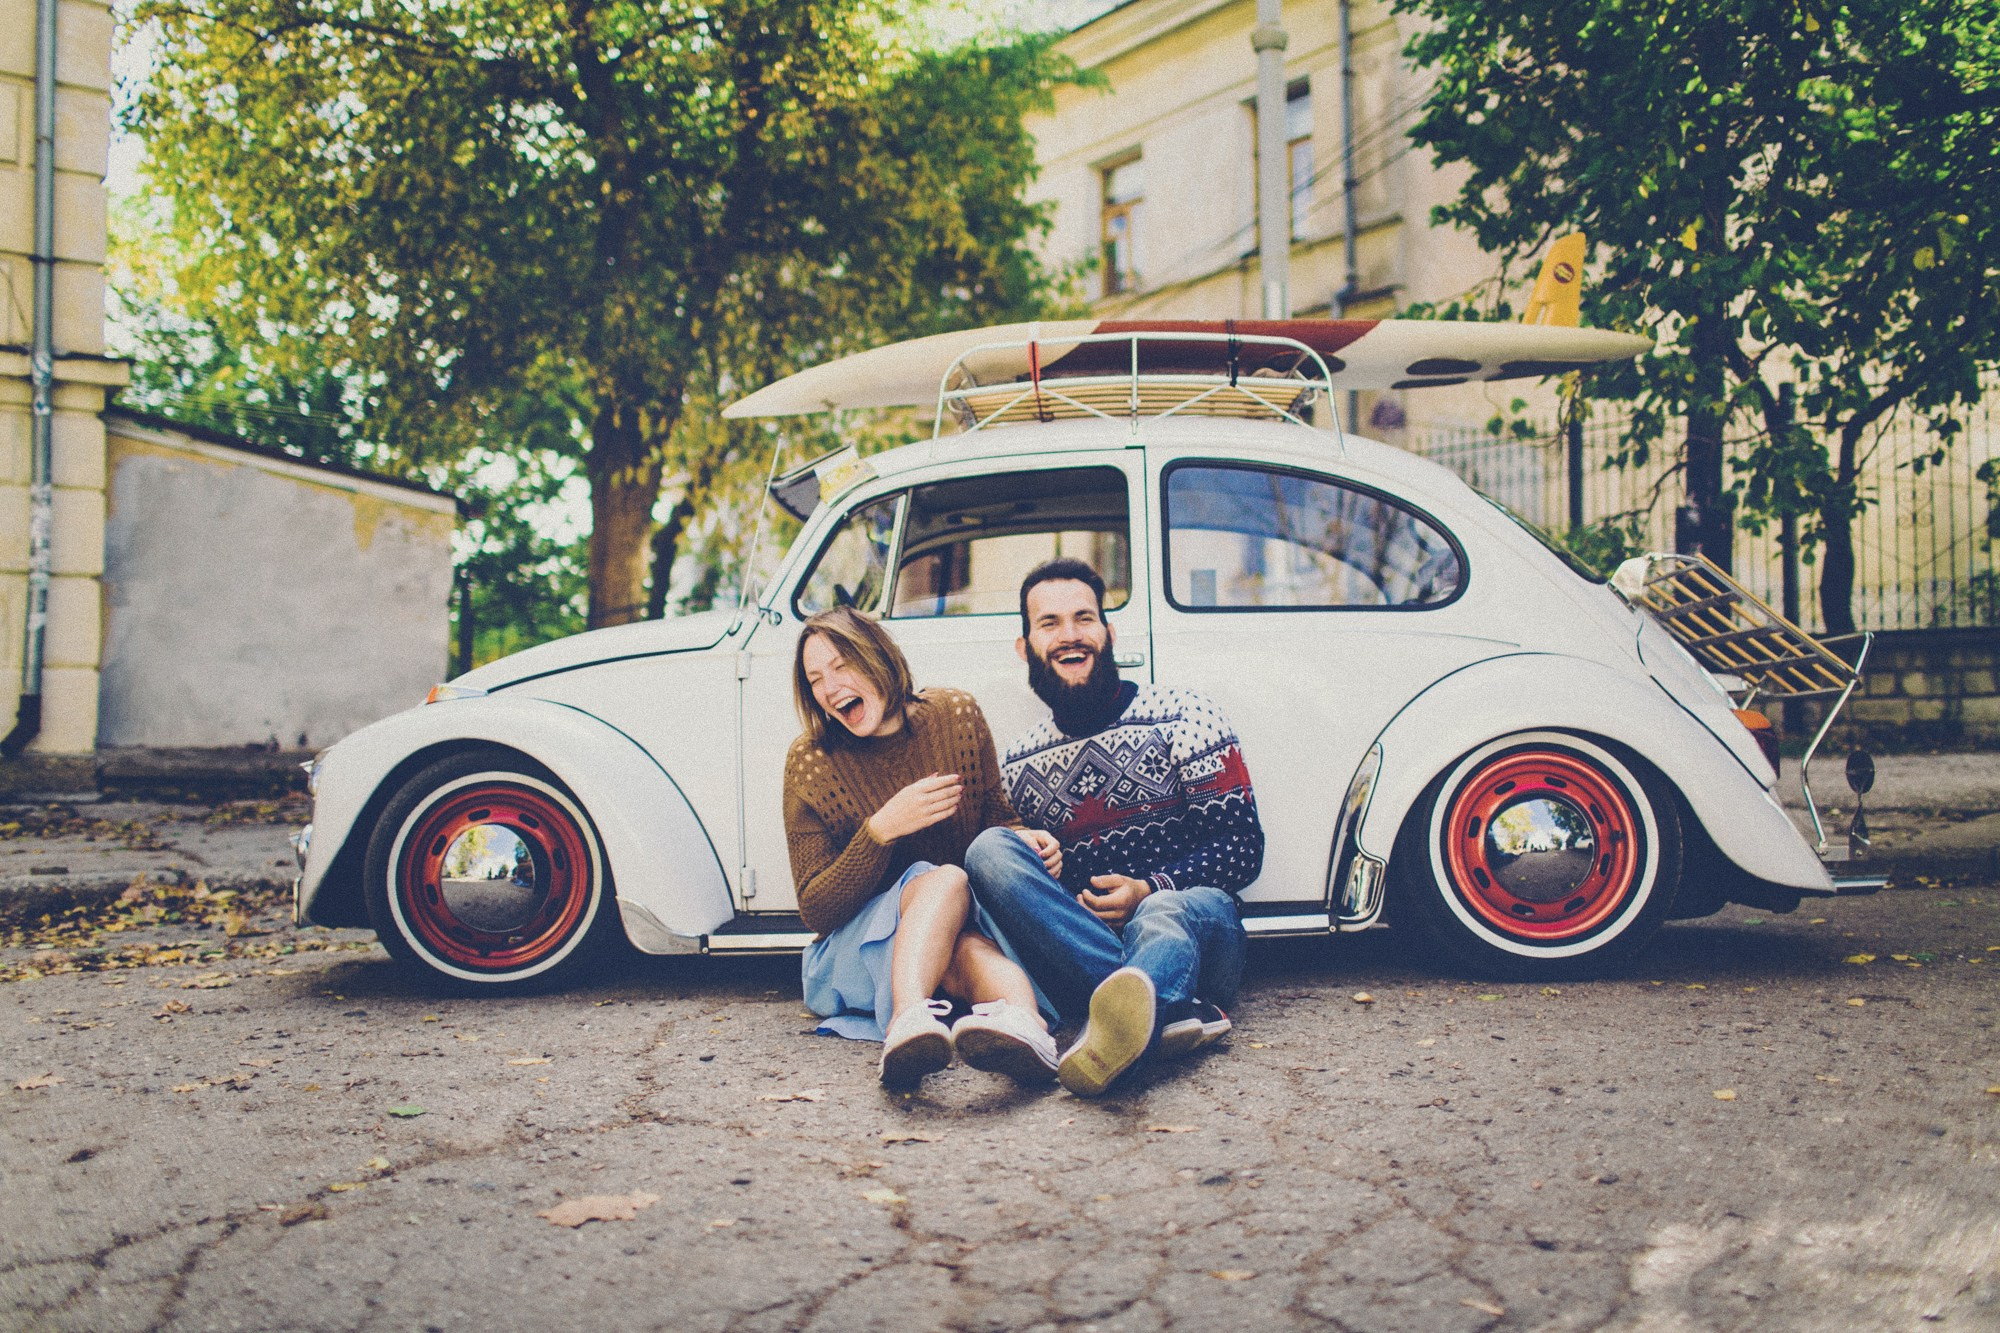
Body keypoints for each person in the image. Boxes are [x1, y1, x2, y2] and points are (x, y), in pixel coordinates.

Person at [965, 559, 1263, 1097]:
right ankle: (1152, 1016)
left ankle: (1133, 1013)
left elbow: (1243, 847)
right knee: (989, 849)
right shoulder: (1017, 763)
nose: (1070, 635)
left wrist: (1149, 888)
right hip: (1089, 948)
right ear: (1025, 646)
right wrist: (1047, 865)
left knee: (1160, 911)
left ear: (1109, 633)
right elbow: (1038, 898)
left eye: (1085, 618)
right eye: (1049, 623)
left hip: (1200, 933)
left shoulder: (1183, 714)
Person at [784, 607, 1065, 1088]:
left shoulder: (955, 716)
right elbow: (815, 909)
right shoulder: (810, 762)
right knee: (945, 878)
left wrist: (1027, 842)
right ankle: (909, 1018)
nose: (830, 689)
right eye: (815, 680)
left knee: (971, 945)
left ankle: (1028, 1028)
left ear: (879, 656)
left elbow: (997, 820)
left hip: (947, 929)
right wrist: (880, 831)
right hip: (854, 948)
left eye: (842, 664)